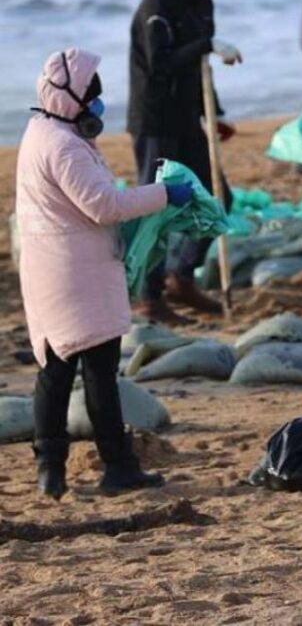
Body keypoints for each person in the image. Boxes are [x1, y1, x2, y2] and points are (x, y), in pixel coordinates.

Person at [18, 48, 194, 498]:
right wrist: (162, 195)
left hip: (53, 269)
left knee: (54, 367)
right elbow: (104, 206)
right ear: (72, 98)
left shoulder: (42, 134)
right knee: (98, 369)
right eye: (91, 98)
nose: (96, 106)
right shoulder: (64, 146)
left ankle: (50, 471)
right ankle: (118, 466)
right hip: (77, 274)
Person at [128, 0, 241, 324]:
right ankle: (149, 295)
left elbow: (197, 67)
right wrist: (206, 45)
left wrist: (217, 113)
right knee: (157, 206)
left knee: (217, 198)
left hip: (188, 117)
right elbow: (160, 66)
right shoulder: (157, 5)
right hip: (155, 120)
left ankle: (182, 275)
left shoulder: (201, 4)